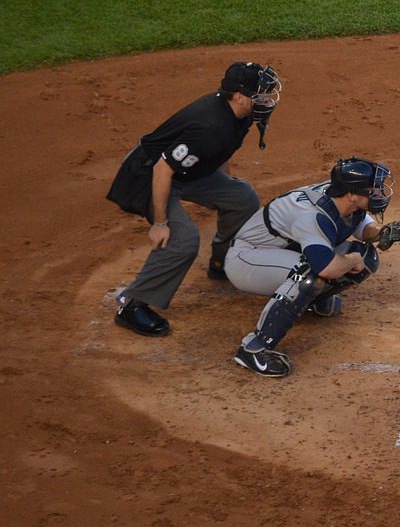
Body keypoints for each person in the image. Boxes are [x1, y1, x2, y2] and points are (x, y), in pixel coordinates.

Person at [107, 61, 282, 337]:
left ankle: (221, 262)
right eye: (260, 93)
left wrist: (225, 183)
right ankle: (132, 304)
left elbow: (221, 151)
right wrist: (160, 223)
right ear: (238, 96)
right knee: (182, 238)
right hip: (147, 176)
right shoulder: (209, 126)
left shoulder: (242, 114)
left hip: (189, 172)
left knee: (242, 197)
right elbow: (163, 169)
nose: (267, 98)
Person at [225, 157, 400, 377]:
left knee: (366, 256)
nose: (379, 193)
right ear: (352, 193)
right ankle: (255, 348)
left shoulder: (343, 198)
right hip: (247, 259)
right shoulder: (312, 216)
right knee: (309, 274)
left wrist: (383, 234)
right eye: (373, 189)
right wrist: (352, 260)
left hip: (287, 249)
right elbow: (327, 269)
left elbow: (361, 226)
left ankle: (309, 300)